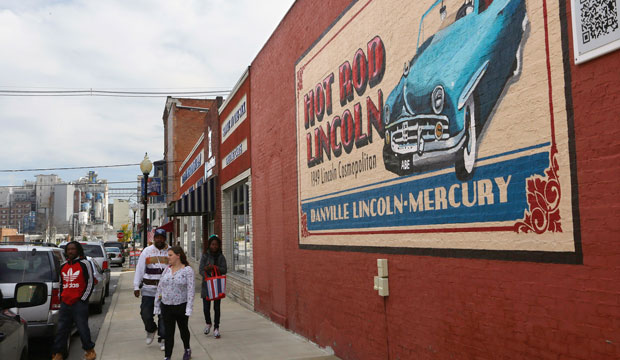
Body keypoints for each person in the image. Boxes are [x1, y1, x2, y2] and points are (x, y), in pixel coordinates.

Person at [52, 241, 97, 360]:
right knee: (62, 330)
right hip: (65, 303)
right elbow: (61, 284)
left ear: (78, 250)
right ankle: (59, 353)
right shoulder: (63, 266)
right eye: (68, 249)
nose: (71, 251)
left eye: (73, 249)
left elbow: (90, 282)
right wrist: (62, 298)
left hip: (79, 303)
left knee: (82, 328)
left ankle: (89, 350)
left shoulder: (85, 263)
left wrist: (83, 299)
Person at [154, 246, 195, 360]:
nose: (168, 257)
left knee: (183, 330)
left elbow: (191, 290)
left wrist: (189, 308)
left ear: (178, 256)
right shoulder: (167, 269)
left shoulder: (187, 270)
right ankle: (167, 356)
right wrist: (157, 305)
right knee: (168, 333)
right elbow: (160, 288)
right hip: (166, 306)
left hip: (181, 305)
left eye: (170, 255)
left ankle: (187, 349)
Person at [134, 228, 169, 351]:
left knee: (163, 315)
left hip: (164, 289)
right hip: (149, 288)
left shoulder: (170, 252)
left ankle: (163, 338)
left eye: (162, 237)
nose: (159, 239)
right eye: (157, 237)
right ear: (154, 238)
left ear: (165, 239)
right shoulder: (147, 251)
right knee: (145, 314)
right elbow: (140, 268)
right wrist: (136, 286)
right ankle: (151, 329)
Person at [199, 234, 227, 338]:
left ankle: (216, 328)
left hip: (217, 286)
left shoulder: (221, 257)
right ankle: (208, 323)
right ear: (209, 245)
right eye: (212, 244)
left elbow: (225, 270)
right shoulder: (205, 256)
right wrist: (206, 272)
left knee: (217, 308)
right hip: (206, 285)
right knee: (206, 308)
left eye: (216, 245)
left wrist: (215, 267)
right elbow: (200, 269)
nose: (214, 246)